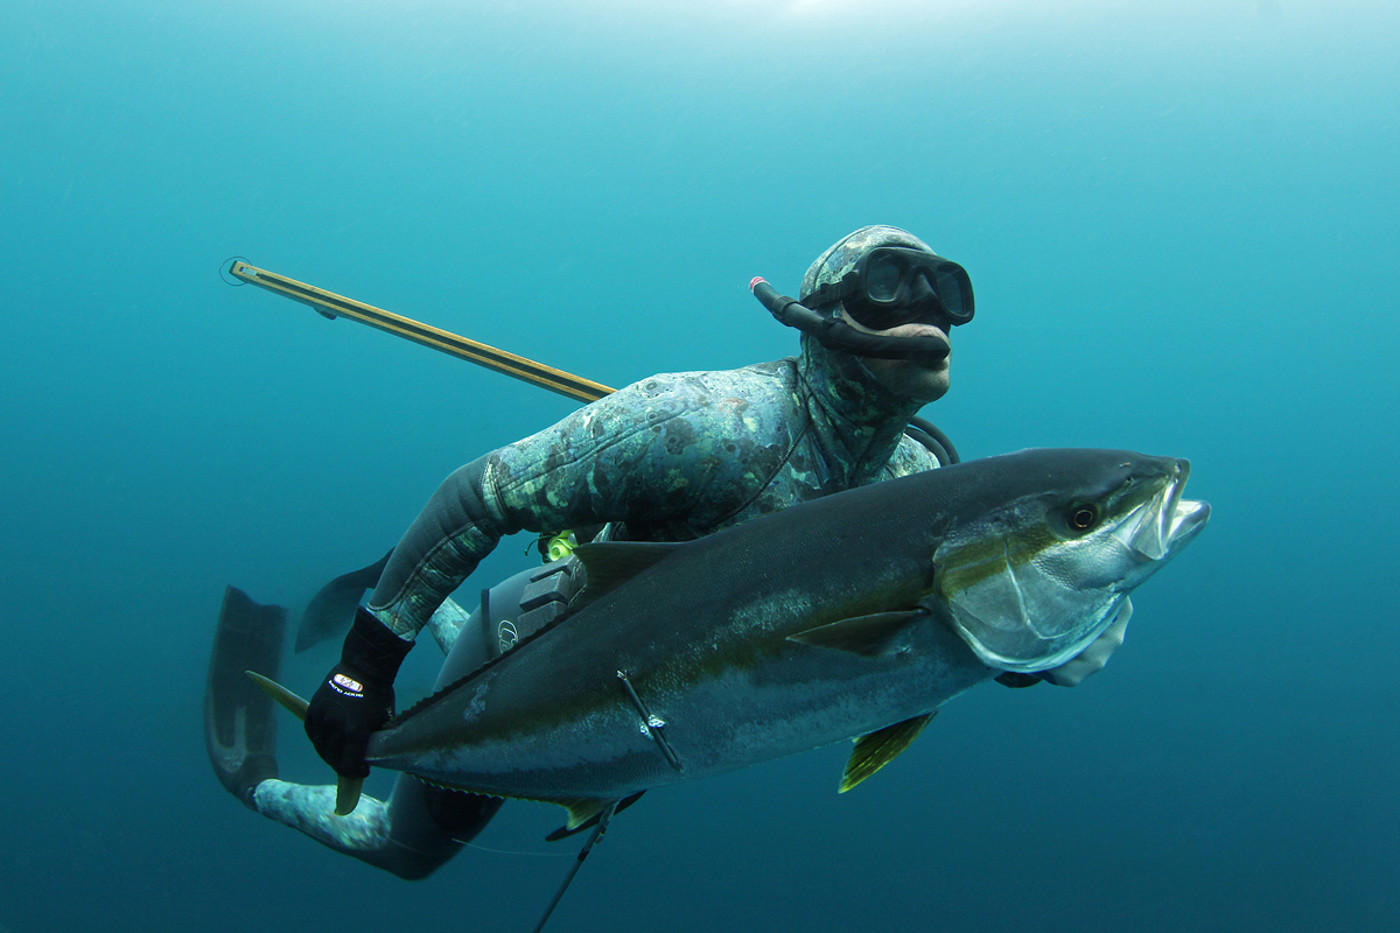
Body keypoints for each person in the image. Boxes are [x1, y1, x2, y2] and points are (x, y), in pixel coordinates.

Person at [205, 225, 1129, 878]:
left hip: (649, 709)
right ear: (814, 314)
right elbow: (472, 496)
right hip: (542, 646)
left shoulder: (920, 472)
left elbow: (912, 618)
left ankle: (425, 601)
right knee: (406, 855)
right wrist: (366, 669)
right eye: (891, 283)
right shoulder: (706, 423)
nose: (926, 309)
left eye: (947, 290)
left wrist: (1028, 646)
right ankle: (256, 779)